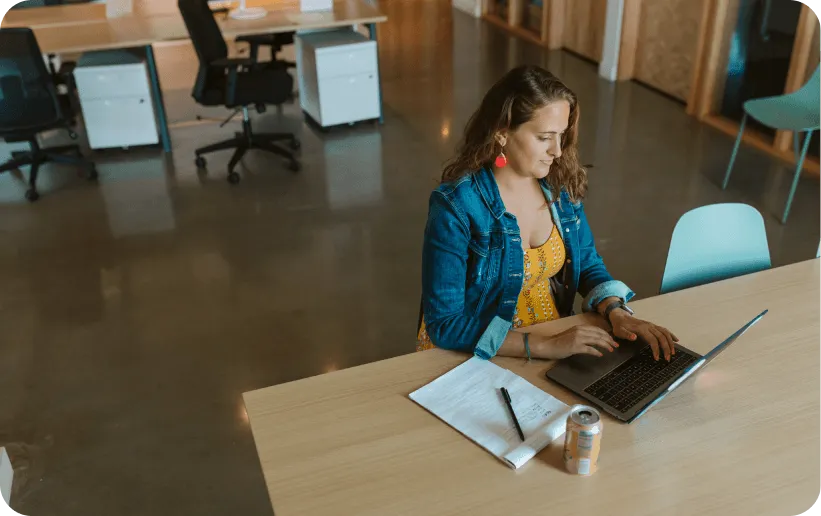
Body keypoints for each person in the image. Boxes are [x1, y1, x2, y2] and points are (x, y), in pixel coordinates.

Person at [417, 66, 678, 362]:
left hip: (554, 336)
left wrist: (616, 311)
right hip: (479, 348)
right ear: (502, 133)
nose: (557, 150)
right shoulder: (456, 206)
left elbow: (588, 263)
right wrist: (543, 346)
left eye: (562, 135)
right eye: (544, 137)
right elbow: (445, 324)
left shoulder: (558, 185)